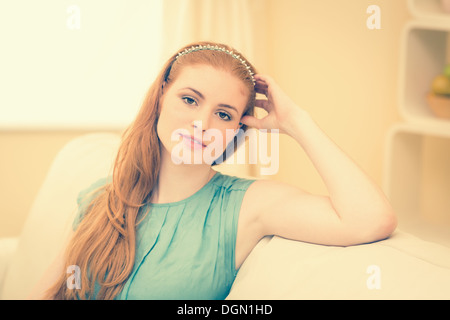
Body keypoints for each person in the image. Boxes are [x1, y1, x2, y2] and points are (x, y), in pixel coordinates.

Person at [29, 41, 397, 300]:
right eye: (189, 100)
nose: (201, 124)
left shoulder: (247, 206)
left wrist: (299, 123)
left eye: (223, 114)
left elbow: (370, 220)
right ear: (160, 99)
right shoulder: (100, 197)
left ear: (239, 128)